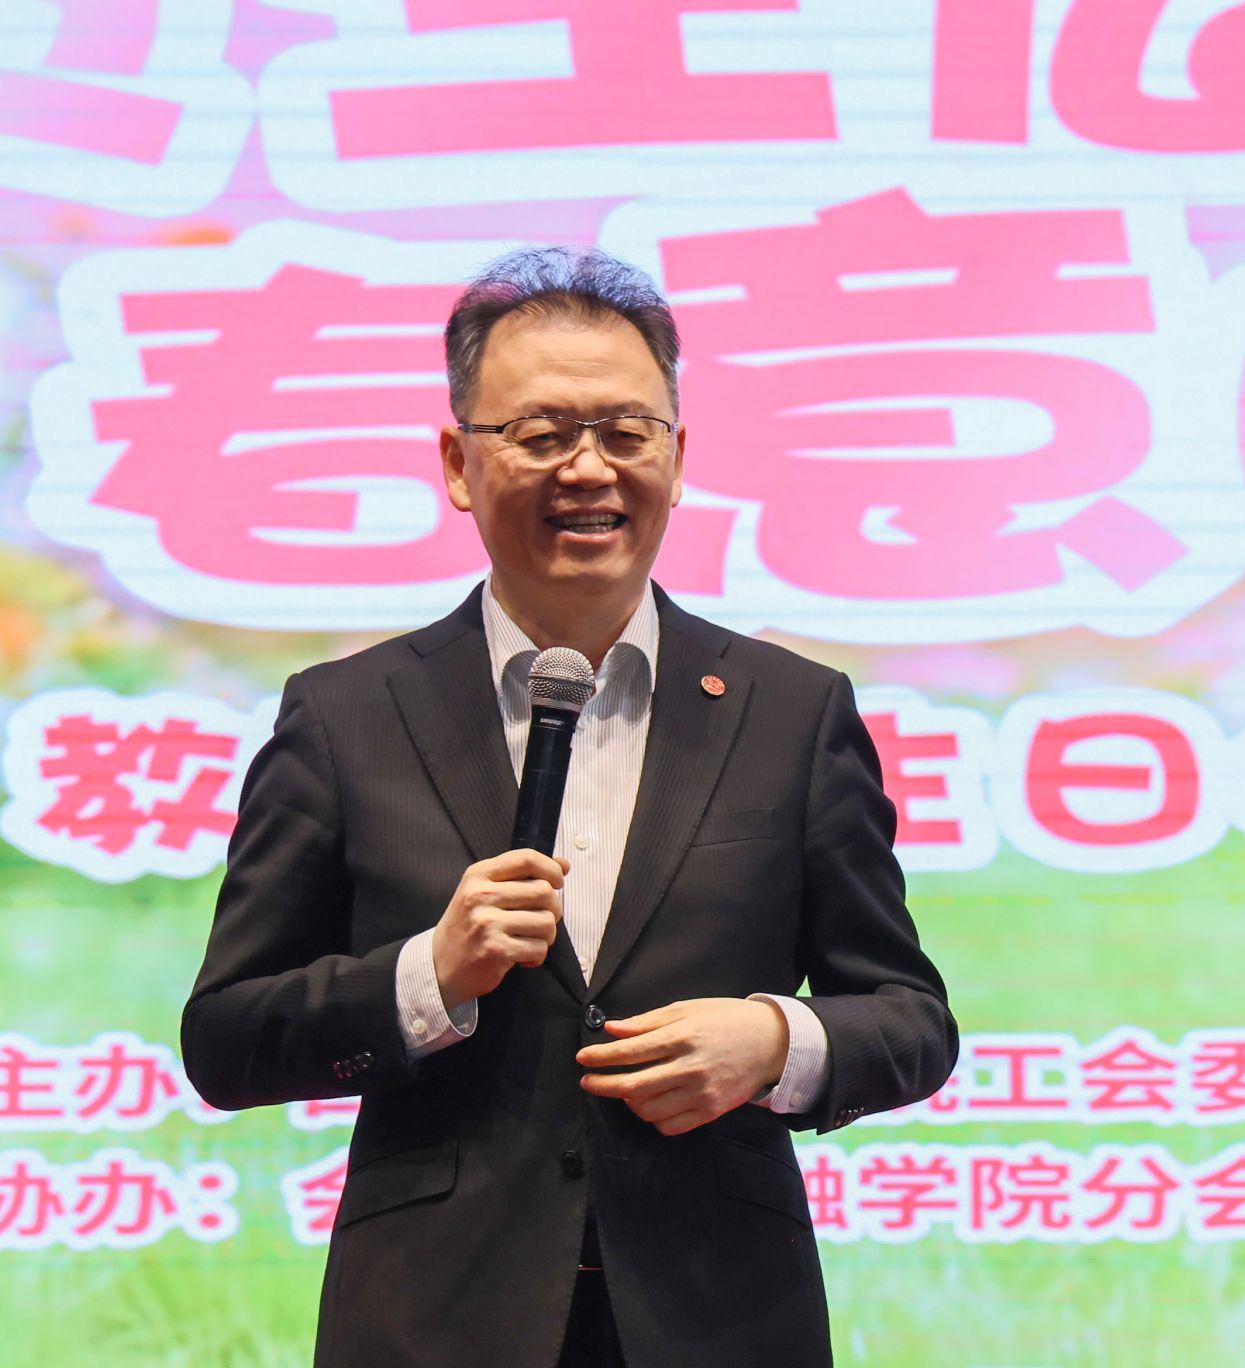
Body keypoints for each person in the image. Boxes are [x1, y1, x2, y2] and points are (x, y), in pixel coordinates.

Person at [183, 247, 956, 1368]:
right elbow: (225, 1038)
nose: (588, 469)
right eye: (541, 435)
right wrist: (428, 975)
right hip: (435, 1325)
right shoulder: (346, 715)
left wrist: (774, 1041)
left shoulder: (791, 711)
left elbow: (909, 1017)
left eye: (626, 432)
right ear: (458, 463)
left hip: (718, 1316)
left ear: (677, 458)